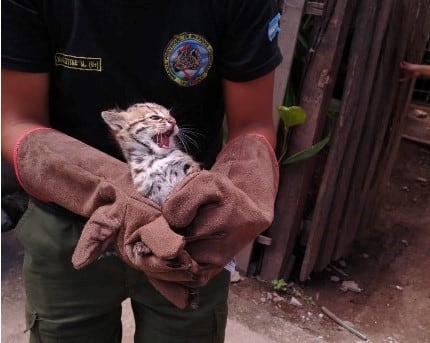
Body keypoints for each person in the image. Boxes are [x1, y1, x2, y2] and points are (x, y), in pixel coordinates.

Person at [2, 1, 282, 342]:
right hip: (69, 223)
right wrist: (116, 188)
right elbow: (17, 120)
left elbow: (252, 125)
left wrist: (235, 201)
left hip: (192, 228)